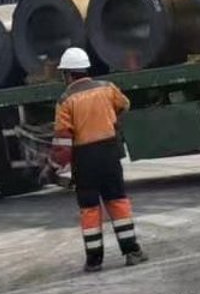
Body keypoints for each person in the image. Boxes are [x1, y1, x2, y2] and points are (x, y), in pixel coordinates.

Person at [50, 47, 147, 272]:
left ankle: (94, 261)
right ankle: (132, 252)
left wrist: (58, 166)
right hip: (109, 153)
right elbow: (124, 105)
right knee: (118, 201)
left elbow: (63, 138)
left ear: (68, 74)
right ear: (85, 69)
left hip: (84, 160)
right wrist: (108, 118)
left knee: (90, 209)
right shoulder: (107, 88)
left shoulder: (65, 100)